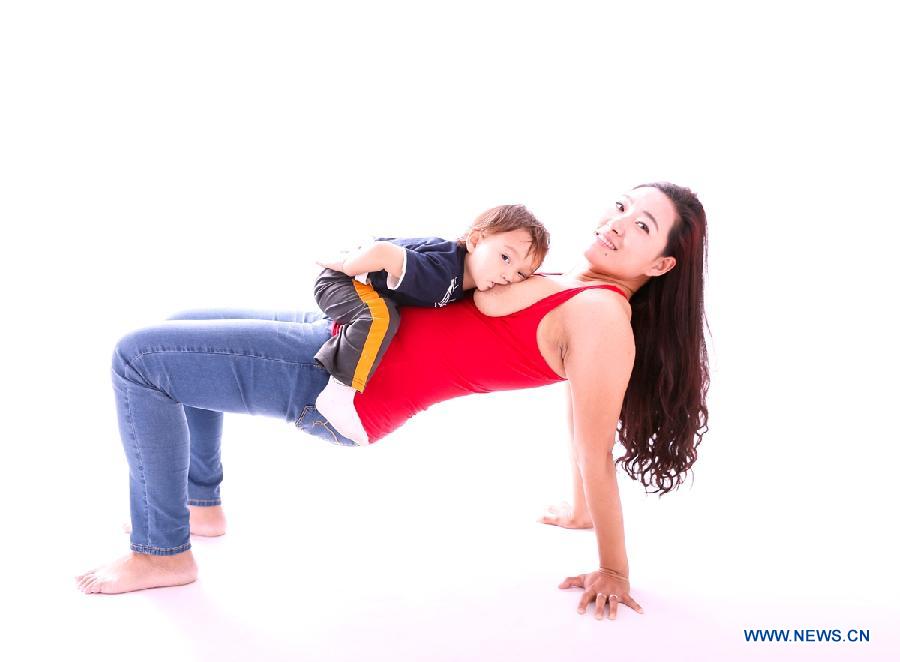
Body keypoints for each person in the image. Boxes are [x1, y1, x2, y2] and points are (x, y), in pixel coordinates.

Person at [76, 182, 709, 624]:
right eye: (623, 206)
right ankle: (199, 506)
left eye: (643, 227)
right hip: (352, 339)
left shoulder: (603, 316)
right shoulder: (582, 287)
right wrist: (578, 511)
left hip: (344, 383)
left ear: (661, 265)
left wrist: (615, 571)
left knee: (139, 359)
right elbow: (575, 406)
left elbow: (593, 440)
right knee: (184, 326)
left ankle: (163, 551)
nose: (618, 222)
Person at [311, 204, 550, 444]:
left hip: (362, 286)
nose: (509, 276)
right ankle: (339, 392)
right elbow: (382, 252)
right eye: (505, 258)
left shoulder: (467, 282)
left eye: (521, 274)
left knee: (384, 313)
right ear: (476, 240)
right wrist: (346, 265)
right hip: (341, 280)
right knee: (381, 317)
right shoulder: (443, 271)